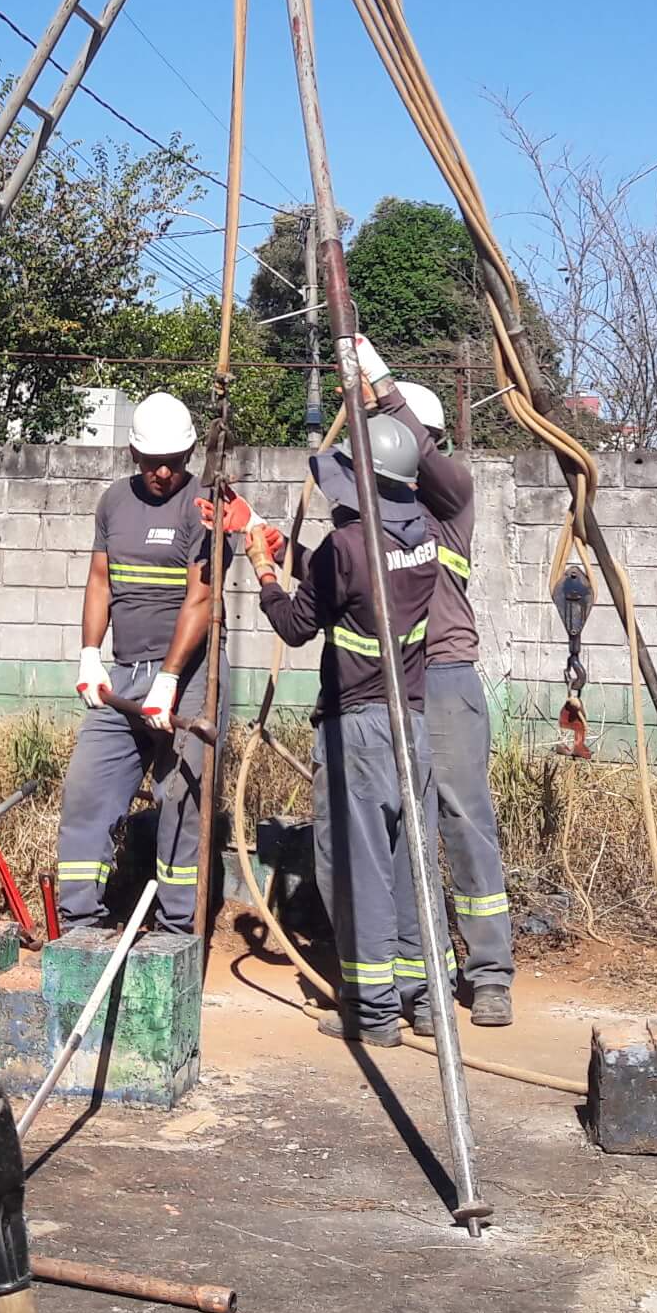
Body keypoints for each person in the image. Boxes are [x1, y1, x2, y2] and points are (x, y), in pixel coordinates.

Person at [247, 410, 442, 1047]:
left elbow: (300, 626)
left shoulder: (346, 547)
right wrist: (293, 553)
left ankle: (374, 1012)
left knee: (356, 869)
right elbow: (357, 580)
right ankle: (426, 1001)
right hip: (410, 722)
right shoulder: (423, 534)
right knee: (409, 864)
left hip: (356, 728)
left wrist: (265, 573)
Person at [359, 338, 514, 1027]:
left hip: (446, 677)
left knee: (463, 821)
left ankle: (490, 974)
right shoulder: (374, 513)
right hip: (390, 683)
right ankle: (413, 981)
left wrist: (378, 377)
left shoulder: (451, 501)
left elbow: (424, 458)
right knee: (399, 834)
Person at [54, 390, 225, 935]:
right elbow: (100, 581)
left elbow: (201, 600)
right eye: (152, 462)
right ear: (133, 454)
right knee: (86, 792)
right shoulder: (113, 503)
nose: (163, 473)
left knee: (182, 804)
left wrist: (170, 679)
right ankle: (80, 921)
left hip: (189, 679)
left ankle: (177, 931)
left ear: (192, 452)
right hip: (122, 676)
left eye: (174, 462)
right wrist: (89, 655)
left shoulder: (205, 505)